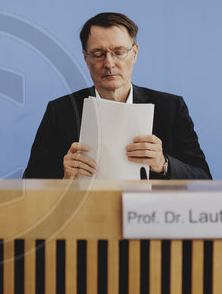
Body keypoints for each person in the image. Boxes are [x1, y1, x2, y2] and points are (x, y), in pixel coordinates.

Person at [24, 12, 211, 179]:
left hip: (151, 215)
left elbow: (203, 178)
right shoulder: (60, 111)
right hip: (86, 215)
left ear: (135, 53)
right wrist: (65, 178)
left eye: (119, 52)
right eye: (98, 54)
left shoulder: (171, 108)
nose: (109, 63)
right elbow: (30, 184)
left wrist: (163, 164)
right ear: (85, 58)